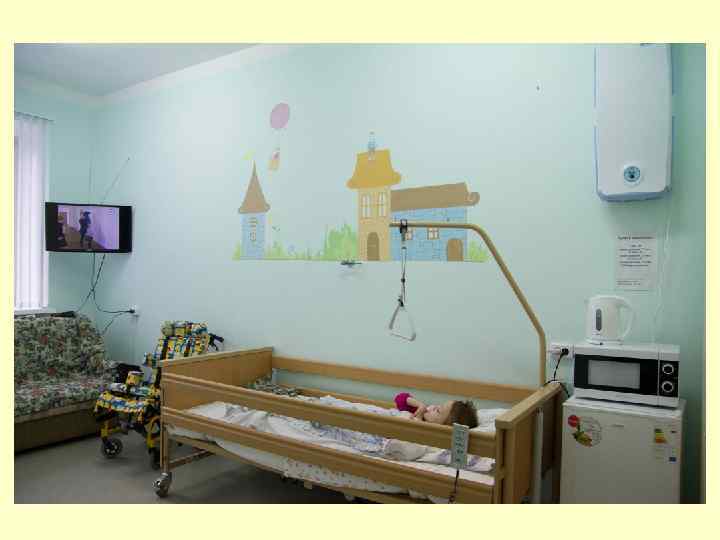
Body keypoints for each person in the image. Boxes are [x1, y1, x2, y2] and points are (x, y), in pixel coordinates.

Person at [394, 392, 478, 428]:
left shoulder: (427, 433)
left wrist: (418, 421)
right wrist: (419, 404)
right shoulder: (419, 411)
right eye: (439, 405)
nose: (434, 406)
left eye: (438, 410)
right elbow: (400, 398)